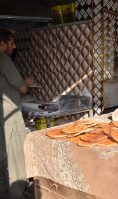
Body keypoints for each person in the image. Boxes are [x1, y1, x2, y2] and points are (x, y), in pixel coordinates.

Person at [0, 28, 33, 198]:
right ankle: (17, 192)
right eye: (12, 43)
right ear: (2, 44)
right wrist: (26, 82)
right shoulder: (4, 60)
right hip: (8, 117)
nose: (14, 47)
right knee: (14, 156)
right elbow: (22, 88)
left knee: (2, 156)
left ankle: (4, 190)